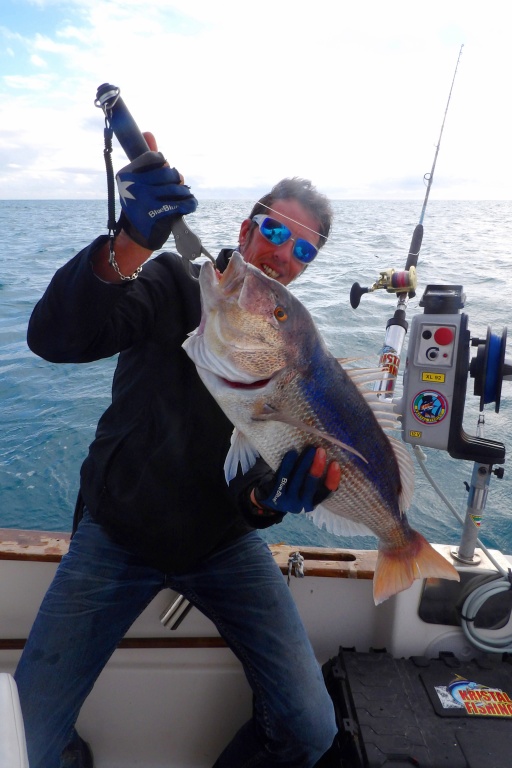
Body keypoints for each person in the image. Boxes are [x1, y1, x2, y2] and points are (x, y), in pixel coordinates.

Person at [15, 132, 341, 768]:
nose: (284, 254)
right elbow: (54, 338)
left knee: (311, 728)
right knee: (23, 741)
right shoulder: (172, 281)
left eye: (304, 249)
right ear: (248, 228)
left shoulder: (294, 341)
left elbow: (256, 489)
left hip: (222, 544)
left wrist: (271, 498)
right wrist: (129, 245)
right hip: (117, 533)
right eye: (276, 231)